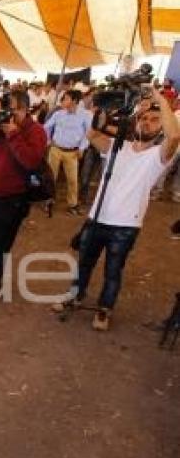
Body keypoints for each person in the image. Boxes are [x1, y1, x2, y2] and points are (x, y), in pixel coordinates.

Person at [54, 91, 179, 330]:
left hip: (126, 225)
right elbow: (92, 134)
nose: (147, 122)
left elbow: (174, 137)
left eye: (155, 120)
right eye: (144, 118)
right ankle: (75, 296)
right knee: (84, 263)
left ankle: (104, 309)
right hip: (97, 217)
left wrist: (161, 100)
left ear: (161, 126)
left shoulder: (158, 156)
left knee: (113, 270)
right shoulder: (118, 144)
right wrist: (113, 110)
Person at [0, 90, 47, 300]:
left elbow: (31, 161)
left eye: (12, 109)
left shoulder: (36, 131)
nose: (7, 114)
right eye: (5, 109)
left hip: (10, 200)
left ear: (24, 109)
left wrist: (13, 134)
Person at [44, 90, 91, 215]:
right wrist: (48, 140)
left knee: (72, 180)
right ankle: (49, 200)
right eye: (63, 98)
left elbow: (88, 133)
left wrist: (82, 148)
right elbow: (46, 127)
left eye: (66, 98)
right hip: (56, 150)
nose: (63, 101)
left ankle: (73, 204)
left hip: (73, 152)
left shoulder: (85, 115)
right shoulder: (58, 114)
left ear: (75, 101)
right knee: (50, 177)